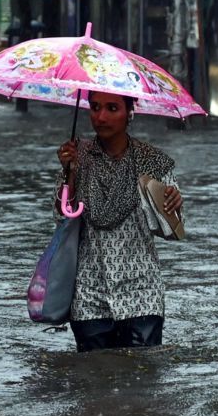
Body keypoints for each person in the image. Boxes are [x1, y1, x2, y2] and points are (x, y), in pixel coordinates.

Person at [55, 91, 184, 352]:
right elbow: (61, 217)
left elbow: (172, 230)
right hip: (90, 294)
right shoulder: (78, 156)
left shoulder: (154, 162)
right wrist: (69, 173)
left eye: (112, 108)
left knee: (142, 382)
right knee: (93, 383)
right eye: (95, 107)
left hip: (141, 293)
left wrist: (172, 203)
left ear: (130, 112)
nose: (100, 117)